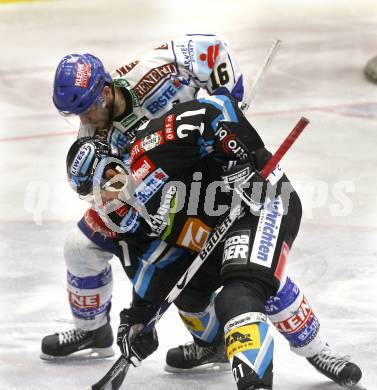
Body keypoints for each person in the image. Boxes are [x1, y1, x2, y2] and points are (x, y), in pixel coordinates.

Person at [44, 34, 362, 387]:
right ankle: (213, 344)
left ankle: (316, 350)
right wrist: (137, 317)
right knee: (197, 289)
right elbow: (153, 264)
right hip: (208, 213)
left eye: (108, 181)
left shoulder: (150, 143)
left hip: (256, 197)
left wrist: (241, 154)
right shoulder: (118, 209)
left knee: (243, 289)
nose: (107, 196)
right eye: (97, 194)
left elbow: (214, 109)